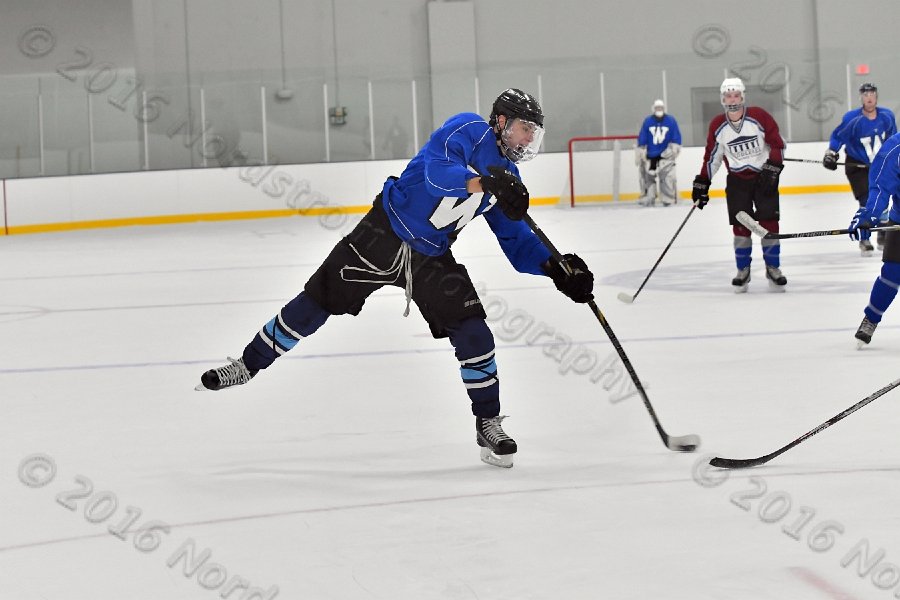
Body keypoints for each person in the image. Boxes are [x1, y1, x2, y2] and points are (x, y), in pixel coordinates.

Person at [195, 89, 595, 468]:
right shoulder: (468, 130)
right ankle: (247, 364)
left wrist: (555, 268)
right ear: (501, 121)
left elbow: (517, 240)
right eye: (525, 128)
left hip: (430, 256)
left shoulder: (509, 180)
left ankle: (488, 424)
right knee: (315, 304)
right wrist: (485, 182)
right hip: (382, 233)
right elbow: (439, 175)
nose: (529, 139)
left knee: (474, 332)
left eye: (534, 132)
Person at [691, 77, 787, 293]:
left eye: (736, 95)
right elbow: (712, 157)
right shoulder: (718, 125)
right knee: (741, 227)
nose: (732, 99)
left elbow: (777, 145)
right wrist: (702, 182)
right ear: (722, 99)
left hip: (764, 179)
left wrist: (773, 168)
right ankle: (743, 270)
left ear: (742, 97)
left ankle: (773, 268)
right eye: (728, 96)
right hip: (737, 182)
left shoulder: (759, 116)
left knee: (769, 223)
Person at [823, 82, 897, 256]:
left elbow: (894, 139)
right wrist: (831, 153)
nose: (869, 98)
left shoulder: (887, 116)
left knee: (883, 200)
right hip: (858, 166)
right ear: (861, 98)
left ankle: (882, 232)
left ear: (876, 97)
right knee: (866, 199)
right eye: (865, 94)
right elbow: (838, 136)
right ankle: (864, 235)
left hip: (881, 165)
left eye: (872, 94)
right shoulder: (852, 119)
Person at [848, 130, 900, 348]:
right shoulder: (894, 149)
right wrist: (868, 215)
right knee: (891, 275)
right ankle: (871, 318)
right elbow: (880, 187)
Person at [635, 99, 682, 206]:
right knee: (647, 177)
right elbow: (643, 136)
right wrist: (641, 149)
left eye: (661, 108)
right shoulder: (648, 121)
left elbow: (676, 136)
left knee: (667, 177)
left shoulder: (671, 120)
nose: (659, 110)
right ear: (653, 109)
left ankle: (667, 198)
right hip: (650, 155)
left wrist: (675, 148)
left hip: (665, 155)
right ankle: (649, 197)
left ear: (664, 109)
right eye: (657, 108)